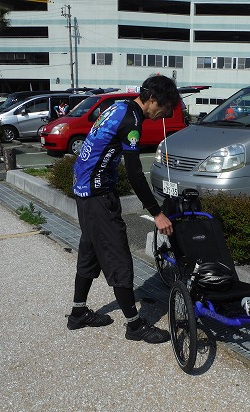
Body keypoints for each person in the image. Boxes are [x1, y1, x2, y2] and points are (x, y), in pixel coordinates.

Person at [67, 75, 179, 344]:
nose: (164, 115)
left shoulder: (119, 106)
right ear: (152, 100)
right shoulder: (132, 121)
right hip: (97, 194)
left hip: (84, 190)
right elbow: (134, 173)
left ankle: (78, 313)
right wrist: (156, 211)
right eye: (164, 109)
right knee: (118, 255)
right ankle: (135, 325)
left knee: (91, 251)